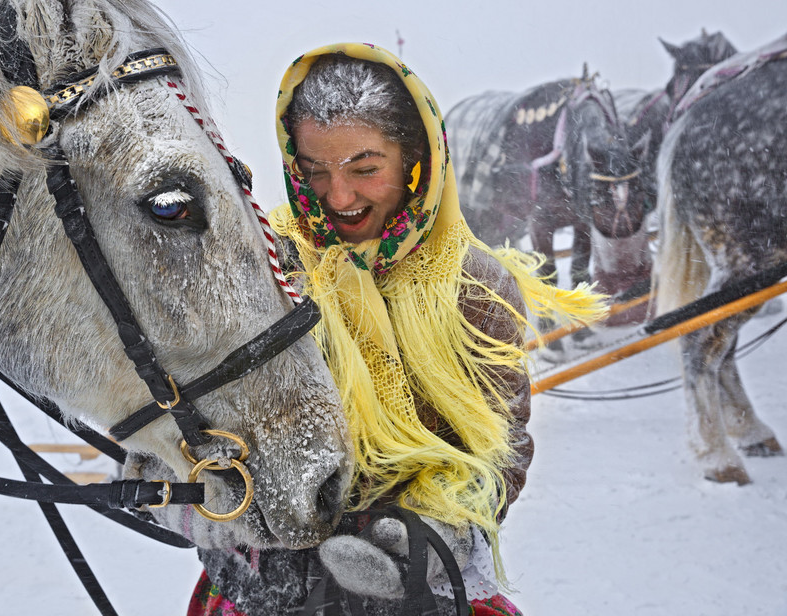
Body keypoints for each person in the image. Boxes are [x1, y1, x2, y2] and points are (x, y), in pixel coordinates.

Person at [187, 44, 606, 616]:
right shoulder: (267, 263)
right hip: (272, 568)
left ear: (417, 158)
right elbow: (204, 399)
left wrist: (433, 535)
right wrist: (211, 500)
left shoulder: (474, 288)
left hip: (413, 591)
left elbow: (502, 449)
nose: (338, 197)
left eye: (365, 169)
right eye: (313, 171)